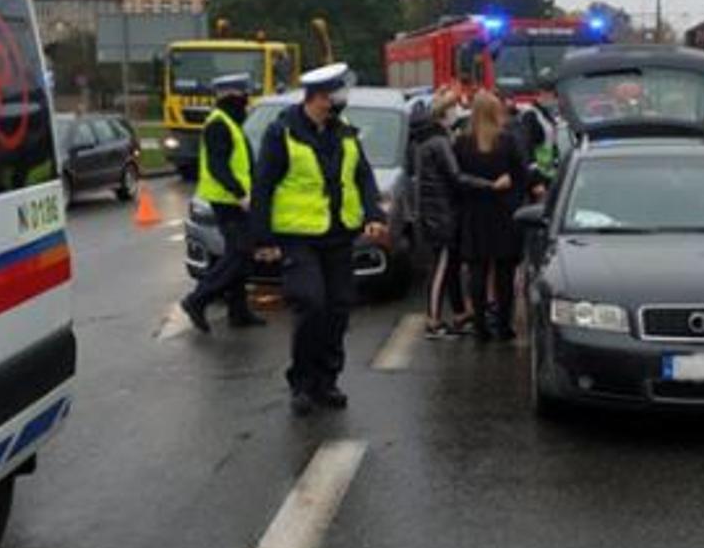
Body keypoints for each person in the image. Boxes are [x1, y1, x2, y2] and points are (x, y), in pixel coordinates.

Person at [251, 63, 388, 414]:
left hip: (339, 235)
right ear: (318, 98)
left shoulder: (344, 132)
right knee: (311, 303)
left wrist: (374, 215)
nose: (341, 101)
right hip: (298, 236)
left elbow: (363, 177)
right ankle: (302, 382)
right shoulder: (282, 133)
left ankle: (327, 380)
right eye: (335, 96)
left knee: (338, 307)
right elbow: (263, 186)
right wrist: (263, 240)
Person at [180, 73, 264, 331]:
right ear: (232, 96)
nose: (247, 100)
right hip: (226, 200)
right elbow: (218, 166)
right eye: (244, 94)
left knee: (239, 255)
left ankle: (239, 311)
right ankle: (197, 299)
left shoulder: (229, 122)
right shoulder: (219, 124)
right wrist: (240, 193)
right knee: (238, 254)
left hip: (233, 199)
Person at [411, 91, 491, 339]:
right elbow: (456, 177)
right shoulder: (439, 142)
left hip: (435, 212)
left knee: (450, 266)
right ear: (445, 113)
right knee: (441, 268)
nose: (458, 112)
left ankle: (459, 314)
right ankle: (433, 321)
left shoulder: (428, 141)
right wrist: (488, 184)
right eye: (454, 108)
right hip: (440, 215)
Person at [454, 91, 528, 342]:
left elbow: (457, 179)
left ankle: (480, 326)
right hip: (504, 213)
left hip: (474, 214)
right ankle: (503, 325)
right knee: (504, 272)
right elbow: (522, 174)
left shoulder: (462, 142)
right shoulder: (506, 141)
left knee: (477, 271)